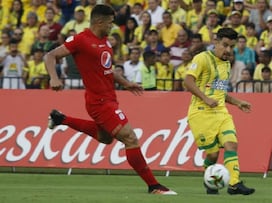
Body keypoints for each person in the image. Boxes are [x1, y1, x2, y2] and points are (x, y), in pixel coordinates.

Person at [44, 4, 176, 195]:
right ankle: (154, 185)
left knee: (105, 138)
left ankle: (60, 119)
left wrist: (126, 83)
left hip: (109, 99)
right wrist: (54, 78)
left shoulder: (105, 41)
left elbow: (107, 69)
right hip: (98, 101)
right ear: (99, 21)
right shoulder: (81, 40)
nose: (112, 26)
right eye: (110, 23)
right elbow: (50, 55)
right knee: (130, 138)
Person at [184, 27, 255, 195]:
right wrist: (205, 98)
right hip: (201, 112)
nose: (228, 50)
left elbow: (220, 93)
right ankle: (210, 181)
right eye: (225, 45)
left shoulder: (227, 64)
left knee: (232, 143)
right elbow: (188, 81)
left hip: (221, 112)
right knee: (213, 155)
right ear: (216, 42)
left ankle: (234, 184)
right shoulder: (202, 58)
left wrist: (237, 102)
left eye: (231, 46)